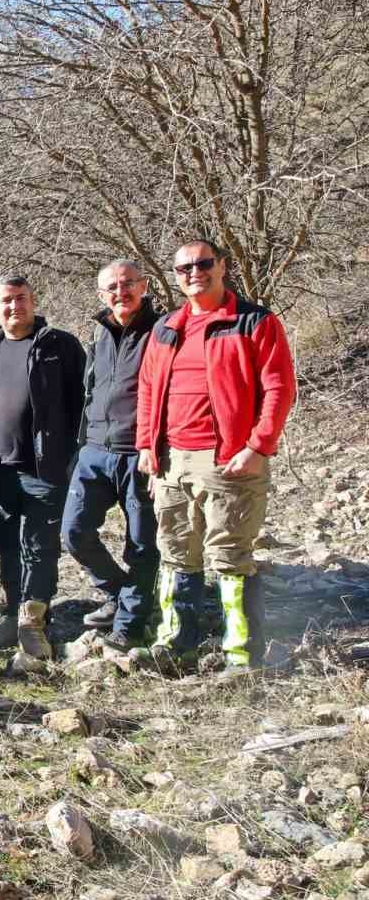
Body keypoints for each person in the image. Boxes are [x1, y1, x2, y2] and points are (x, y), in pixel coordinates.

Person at [136, 239, 295, 673]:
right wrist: (148, 448)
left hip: (227, 460)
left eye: (203, 264)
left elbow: (279, 388)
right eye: (184, 267)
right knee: (175, 554)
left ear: (222, 266)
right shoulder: (166, 327)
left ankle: (241, 654)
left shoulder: (253, 322)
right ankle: (176, 646)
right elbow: (148, 390)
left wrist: (258, 447)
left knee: (230, 557)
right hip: (172, 460)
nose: (194, 273)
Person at [0, 275, 86, 659]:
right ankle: (12, 613)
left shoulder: (60, 346)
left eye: (20, 298)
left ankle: (34, 622)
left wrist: (73, 455)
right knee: (6, 547)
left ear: (34, 301)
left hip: (45, 467)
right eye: (5, 300)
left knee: (39, 546)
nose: (13, 306)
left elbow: (83, 405)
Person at [60, 260, 164, 652]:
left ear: (144, 286)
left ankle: (130, 626)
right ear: (101, 294)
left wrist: (157, 449)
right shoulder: (98, 333)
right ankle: (120, 593)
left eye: (128, 284)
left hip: (140, 455)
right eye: (112, 288)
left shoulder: (162, 331)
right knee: (73, 531)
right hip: (94, 451)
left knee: (141, 544)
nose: (121, 292)